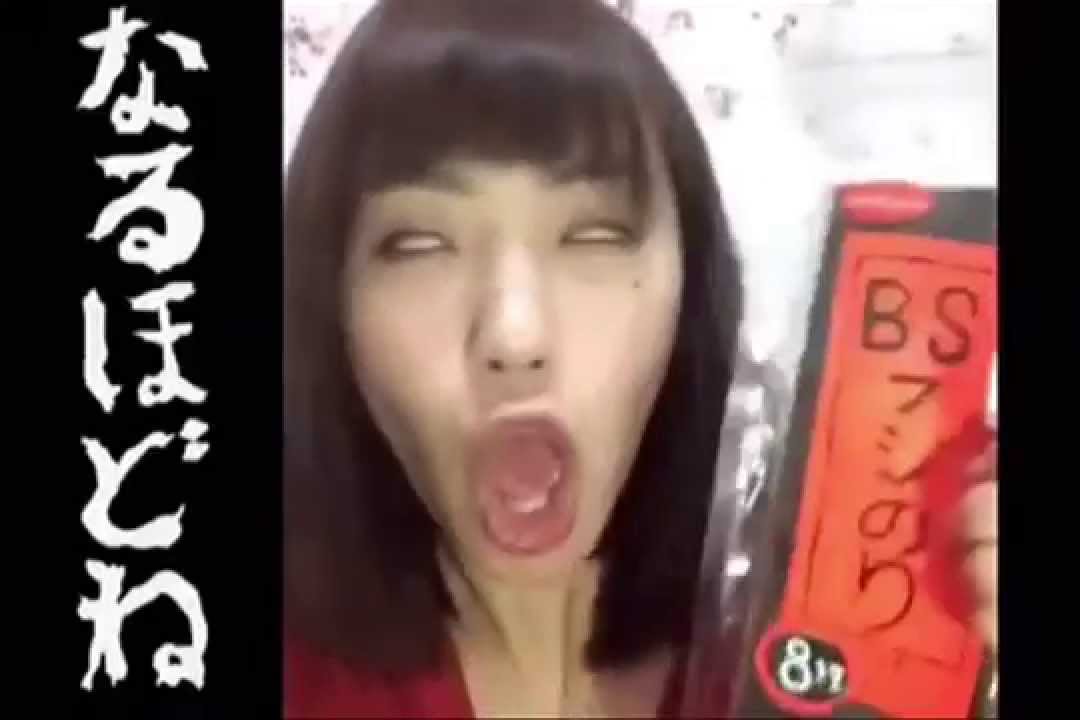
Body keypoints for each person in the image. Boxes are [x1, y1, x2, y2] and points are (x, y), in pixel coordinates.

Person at [282, 1, 997, 717]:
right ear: (328, 301)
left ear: (689, 283)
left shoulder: (822, 623)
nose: (515, 336)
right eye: (418, 246)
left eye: (593, 236)